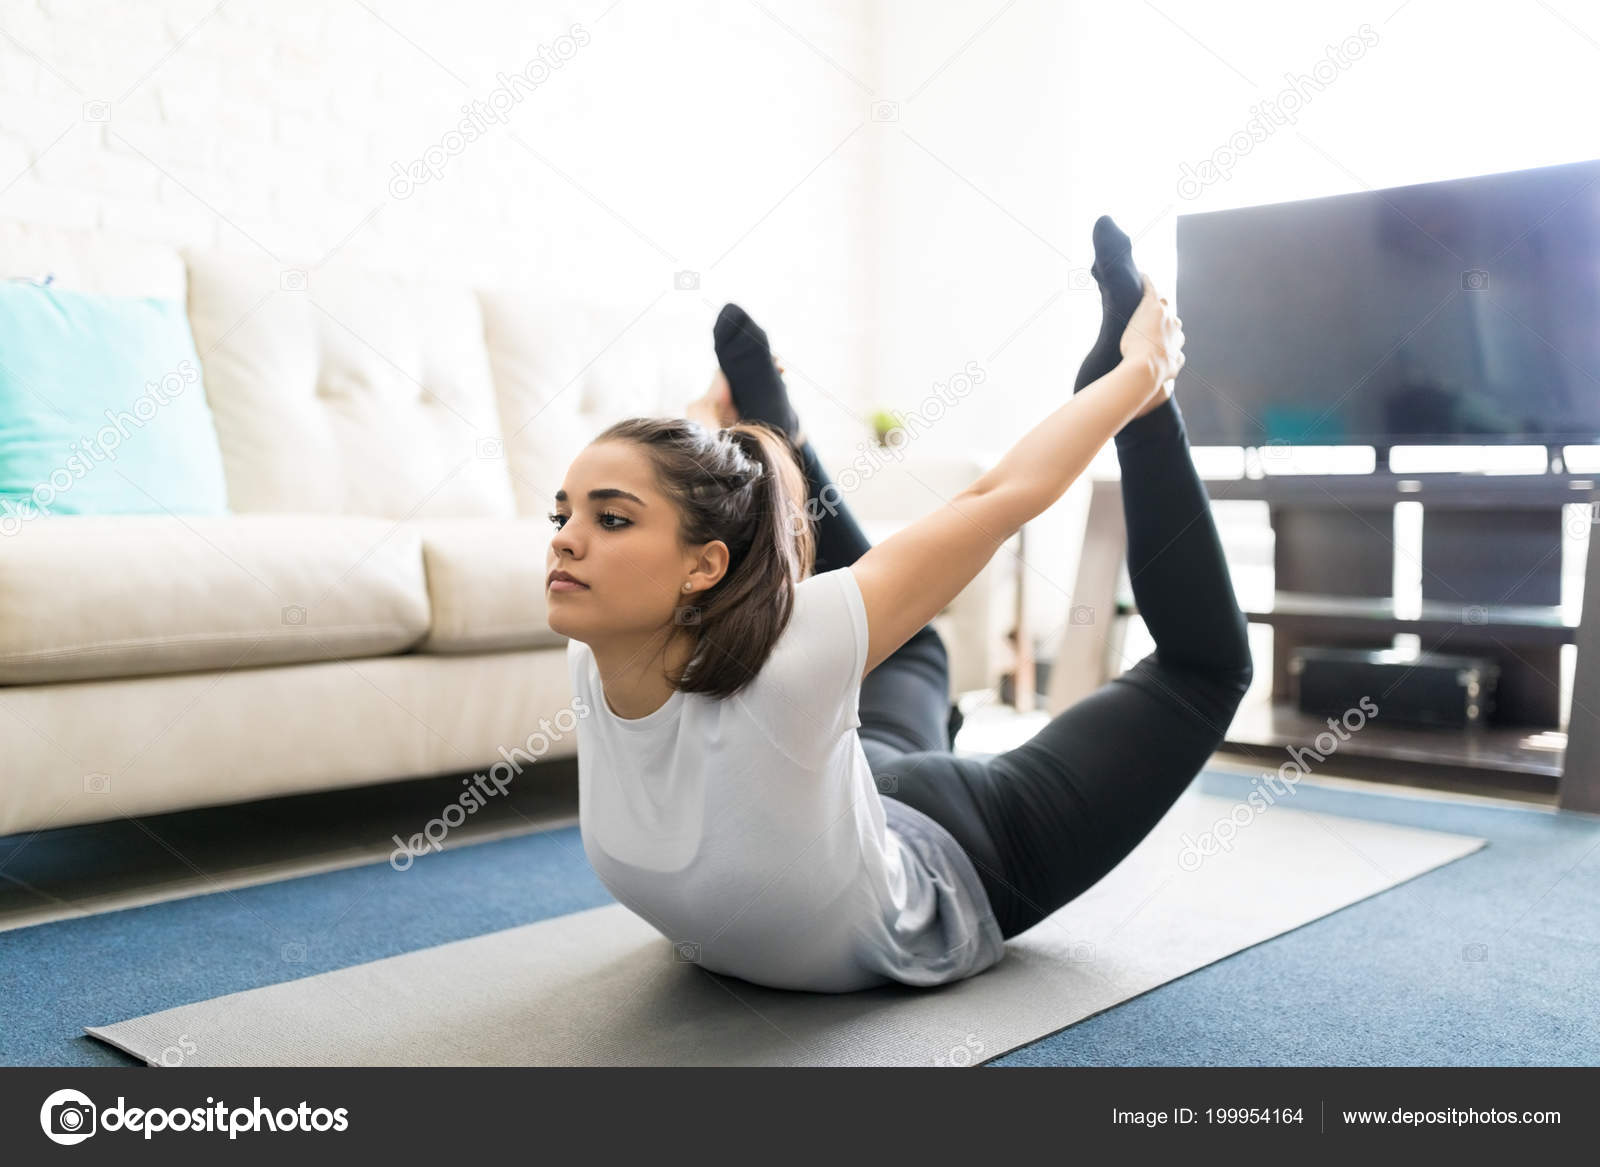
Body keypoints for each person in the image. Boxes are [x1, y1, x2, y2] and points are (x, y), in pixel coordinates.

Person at [546, 216, 1253, 993]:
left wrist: (1140, 377)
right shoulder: (593, 653)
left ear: (704, 564)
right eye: (563, 514)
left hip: (965, 847)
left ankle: (1146, 421)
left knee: (1204, 669)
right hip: (849, 792)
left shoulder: (785, 659)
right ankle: (779, 435)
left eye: (609, 517)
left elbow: (1000, 496)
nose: (566, 541)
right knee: (903, 646)